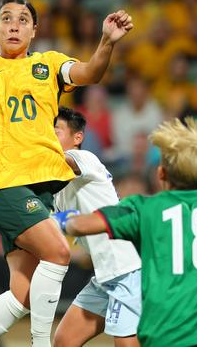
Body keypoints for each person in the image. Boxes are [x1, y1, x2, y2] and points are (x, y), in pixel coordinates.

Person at [0, 0, 133, 347]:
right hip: (4, 183)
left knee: (22, 294)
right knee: (59, 253)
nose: (14, 25)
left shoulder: (49, 64)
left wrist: (106, 42)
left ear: (35, 30)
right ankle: (40, 344)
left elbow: (90, 73)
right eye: (6, 19)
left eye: (23, 20)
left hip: (36, 190)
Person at [52, 118, 197, 347]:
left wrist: (61, 220)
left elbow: (83, 225)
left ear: (161, 173)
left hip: (171, 330)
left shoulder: (147, 209)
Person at [52, 107, 141, 347]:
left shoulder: (84, 158)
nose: (49, 137)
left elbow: (59, 160)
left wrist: (17, 140)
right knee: (63, 341)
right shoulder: (56, 183)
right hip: (105, 274)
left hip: (128, 269)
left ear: (77, 138)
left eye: (56, 131)